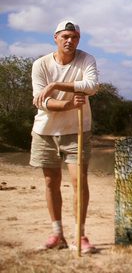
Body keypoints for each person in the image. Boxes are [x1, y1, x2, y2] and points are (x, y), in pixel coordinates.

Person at [30, 20, 98, 254]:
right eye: (65, 36)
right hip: (45, 131)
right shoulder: (40, 64)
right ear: (55, 38)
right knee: (51, 182)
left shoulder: (86, 59)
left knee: (79, 183)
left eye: (75, 37)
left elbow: (91, 86)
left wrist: (56, 84)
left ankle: (80, 235)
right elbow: (42, 102)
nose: (70, 41)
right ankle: (57, 234)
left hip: (77, 131)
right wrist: (69, 103)